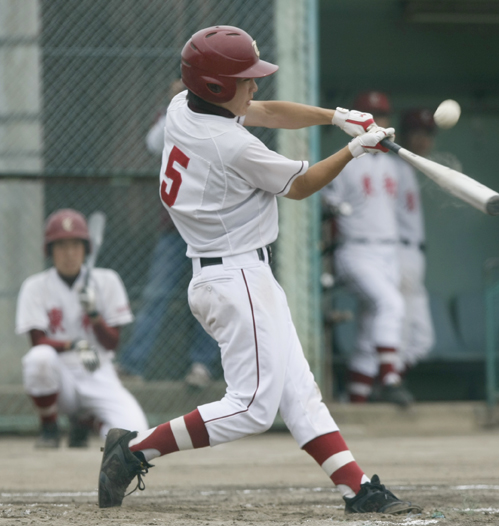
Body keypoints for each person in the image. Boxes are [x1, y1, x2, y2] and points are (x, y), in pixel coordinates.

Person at [97, 26, 421, 516]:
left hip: (234, 275)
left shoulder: (182, 107)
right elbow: (301, 184)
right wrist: (354, 150)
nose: (254, 86)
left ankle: (358, 490)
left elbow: (265, 112)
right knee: (251, 409)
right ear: (216, 88)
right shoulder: (231, 146)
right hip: (235, 280)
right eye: (245, 79)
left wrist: (339, 118)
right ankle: (133, 451)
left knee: (299, 393)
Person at [16, 209, 148, 448]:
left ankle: (88, 421)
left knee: (135, 434)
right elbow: (37, 341)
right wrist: (73, 344)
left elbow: (112, 343)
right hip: (59, 375)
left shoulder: (107, 281)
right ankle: (50, 427)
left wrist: (95, 315)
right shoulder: (34, 286)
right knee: (38, 359)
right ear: (50, 250)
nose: (69, 253)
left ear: (86, 248)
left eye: (75, 245)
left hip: (97, 370)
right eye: (61, 245)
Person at [118, 79, 220, 388]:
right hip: (174, 228)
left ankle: (201, 366)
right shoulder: (171, 114)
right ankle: (132, 365)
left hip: (209, 229)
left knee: (209, 298)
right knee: (157, 295)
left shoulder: (217, 113)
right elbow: (153, 142)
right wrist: (178, 103)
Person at [322, 91, 412, 407]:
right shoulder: (345, 160)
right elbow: (326, 212)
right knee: (391, 305)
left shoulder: (397, 165)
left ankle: (356, 403)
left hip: (389, 252)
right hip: (355, 251)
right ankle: (390, 378)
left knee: (370, 328)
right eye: (373, 116)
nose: (380, 122)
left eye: (384, 116)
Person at [394, 109, 436, 375]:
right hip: (398, 252)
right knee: (400, 331)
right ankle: (386, 382)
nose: (424, 141)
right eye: (418, 133)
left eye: (429, 134)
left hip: (414, 254)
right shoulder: (392, 166)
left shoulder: (408, 168)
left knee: (422, 339)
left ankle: (387, 379)